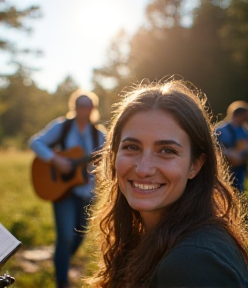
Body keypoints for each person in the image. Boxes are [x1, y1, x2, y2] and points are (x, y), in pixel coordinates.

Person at [88, 78, 248, 287]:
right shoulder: (148, 236)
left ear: (196, 165)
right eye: (132, 147)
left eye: (167, 151)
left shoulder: (193, 264)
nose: (144, 169)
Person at [29, 88, 105, 288]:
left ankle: (59, 260)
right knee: (65, 236)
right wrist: (55, 160)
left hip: (86, 192)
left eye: (89, 106)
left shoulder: (100, 136)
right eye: (81, 105)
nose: (84, 109)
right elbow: (35, 142)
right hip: (61, 191)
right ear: (74, 107)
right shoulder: (62, 127)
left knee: (78, 237)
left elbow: (106, 162)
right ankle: (61, 281)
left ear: (93, 109)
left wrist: (100, 172)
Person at [216, 101, 248, 193]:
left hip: (239, 169)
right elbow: (215, 147)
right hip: (223, 167)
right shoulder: (220, 129)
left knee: (238, 193)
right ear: (240, 115)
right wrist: (230, 155)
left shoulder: (244, 131)